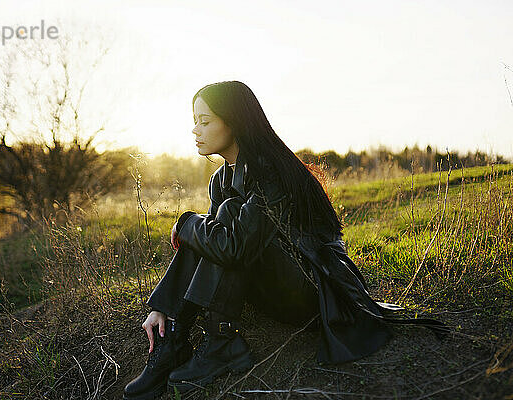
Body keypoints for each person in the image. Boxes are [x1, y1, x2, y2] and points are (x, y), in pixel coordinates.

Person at [123, 81, 448, 400]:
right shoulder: (221, 179)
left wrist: (185, 222)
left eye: (204, 121)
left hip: (311, 290)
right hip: (271, 285)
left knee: (226, 224)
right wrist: (164, 308)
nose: (195, 130)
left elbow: (234, 248)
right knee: (216, 226)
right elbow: (211, 243)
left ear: (234, 121)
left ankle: (222, 345)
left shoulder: (271, 171)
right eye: (194, 121)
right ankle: (171, 342)